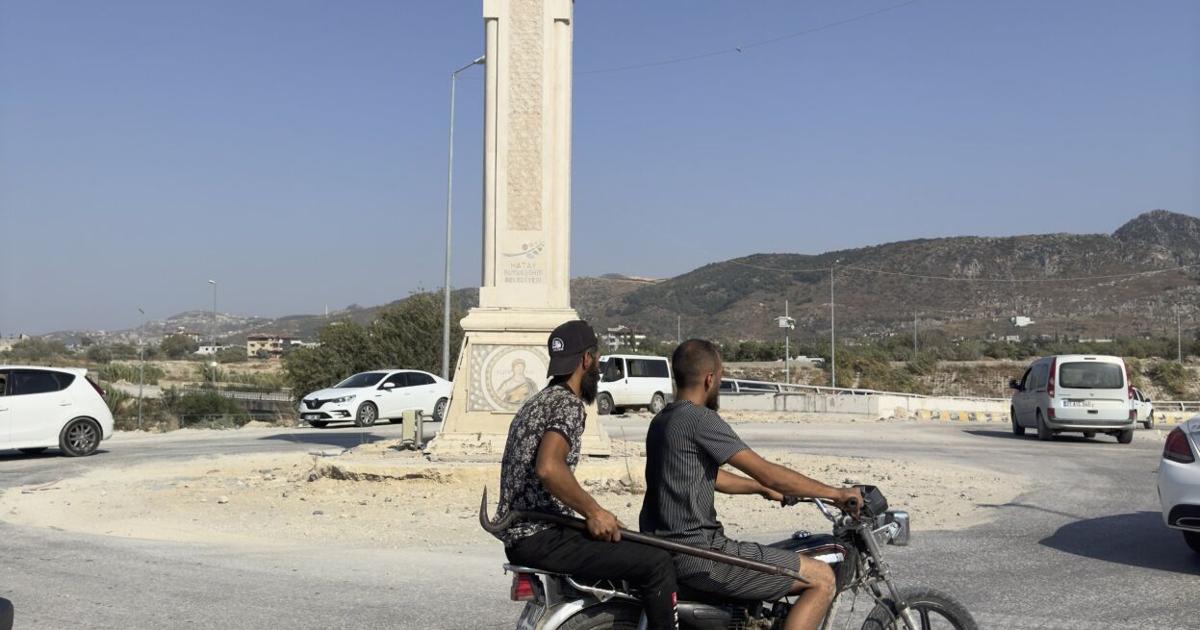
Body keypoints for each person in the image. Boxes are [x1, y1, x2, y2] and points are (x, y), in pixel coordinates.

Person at [640, 339, 863, 630]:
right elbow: (767, 472)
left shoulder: (662, 420)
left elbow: (708, 476)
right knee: (821, 578)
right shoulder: (700, 420)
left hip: (666, 550)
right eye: (719, 376)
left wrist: (759, 489)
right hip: (701, 555)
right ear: (710, 378)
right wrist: (836, 494)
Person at [491, 320, 679, 630]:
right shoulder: (568, 404)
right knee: (657, 562)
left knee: (631, 543)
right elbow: (549, 468)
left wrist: (597, 515)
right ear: (586, 360)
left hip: (527, 533)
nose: (598, 366)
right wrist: (594, 511)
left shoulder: (536, 401)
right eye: (597, 358)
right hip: (541, 536)